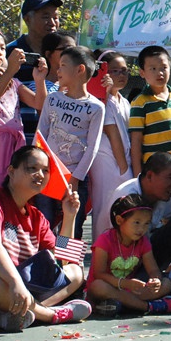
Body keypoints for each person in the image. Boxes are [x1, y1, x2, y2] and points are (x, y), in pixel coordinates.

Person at [0, 146, 92, 331]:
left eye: (45, 170)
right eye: (32, 168)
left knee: (76, 272)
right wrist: (15, 283)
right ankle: (51, 315)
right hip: (2, 285)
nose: (40, 175)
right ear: (11, 171)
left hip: (23, 289)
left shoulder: (37, 216)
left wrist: (70, 216)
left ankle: (11, 315)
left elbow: (64, 259)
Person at [33, 46, 104, 241]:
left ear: (80, 69)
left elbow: (93, 147)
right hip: (47, 175)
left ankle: (66, 258)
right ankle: (46, 257)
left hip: (74, 178)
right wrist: (36, 167)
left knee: (71, 225)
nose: (58, 70)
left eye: (63, 65)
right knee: (44, 222)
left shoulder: (96, 107)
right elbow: (40, 134)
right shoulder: (52, 99)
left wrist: (76, 178)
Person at [101, 152, 171, 272]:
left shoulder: (163, 196)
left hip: (143, 256)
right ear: (150, 175)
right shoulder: (127, 197)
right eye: (170, 178)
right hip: (118, 264)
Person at [86, 194, 171, 316]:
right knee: (98, 286)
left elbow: (153, 269)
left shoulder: (143, 242)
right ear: (119, 220)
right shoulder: (105, 240)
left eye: (146, 223)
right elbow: (99, 274)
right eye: (137, 222)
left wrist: (155, 280)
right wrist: (124, 283)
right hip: (108, 288)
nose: (141, 229)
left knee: (166, 283)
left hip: (130, 290)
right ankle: (148, 307)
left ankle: (123, 305)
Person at [0, 27, 48, 187]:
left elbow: (39, 104)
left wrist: (40, 79)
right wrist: (9, 71)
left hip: (14, 148)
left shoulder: (14, 82)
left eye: (2, 48)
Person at [5, 0, 63, 144]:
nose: (52, 22)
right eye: (45, 17)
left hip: (54, 139)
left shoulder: (63, 54)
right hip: (16, 139)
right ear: (27, 19)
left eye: (56, 17)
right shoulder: (9, 52)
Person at [89, 50, 134, 243]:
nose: (121, 75)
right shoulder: (101, 100)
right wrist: (123, 168)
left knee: (121, 212)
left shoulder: (124, 101)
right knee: (104, 210)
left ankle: (120, 254)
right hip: (107, 162)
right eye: (114, 70)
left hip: (122, 162)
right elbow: (111, 132)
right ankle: (101, 252)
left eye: (124, 70)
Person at [129, 45, 171, 177]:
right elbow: (136, 142)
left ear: (170, 68)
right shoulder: (140, 102)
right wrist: (138, 175)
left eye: (163, 68)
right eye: (153, 69)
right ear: (142, 72)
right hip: (155, 171)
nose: (159, 73)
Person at [26, 31, 77, 95]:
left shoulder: (79, 83)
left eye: (75, 49)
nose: (73, 53)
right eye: (68, 49)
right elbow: (43, 101)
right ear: (48, 54)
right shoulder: (37, 86)